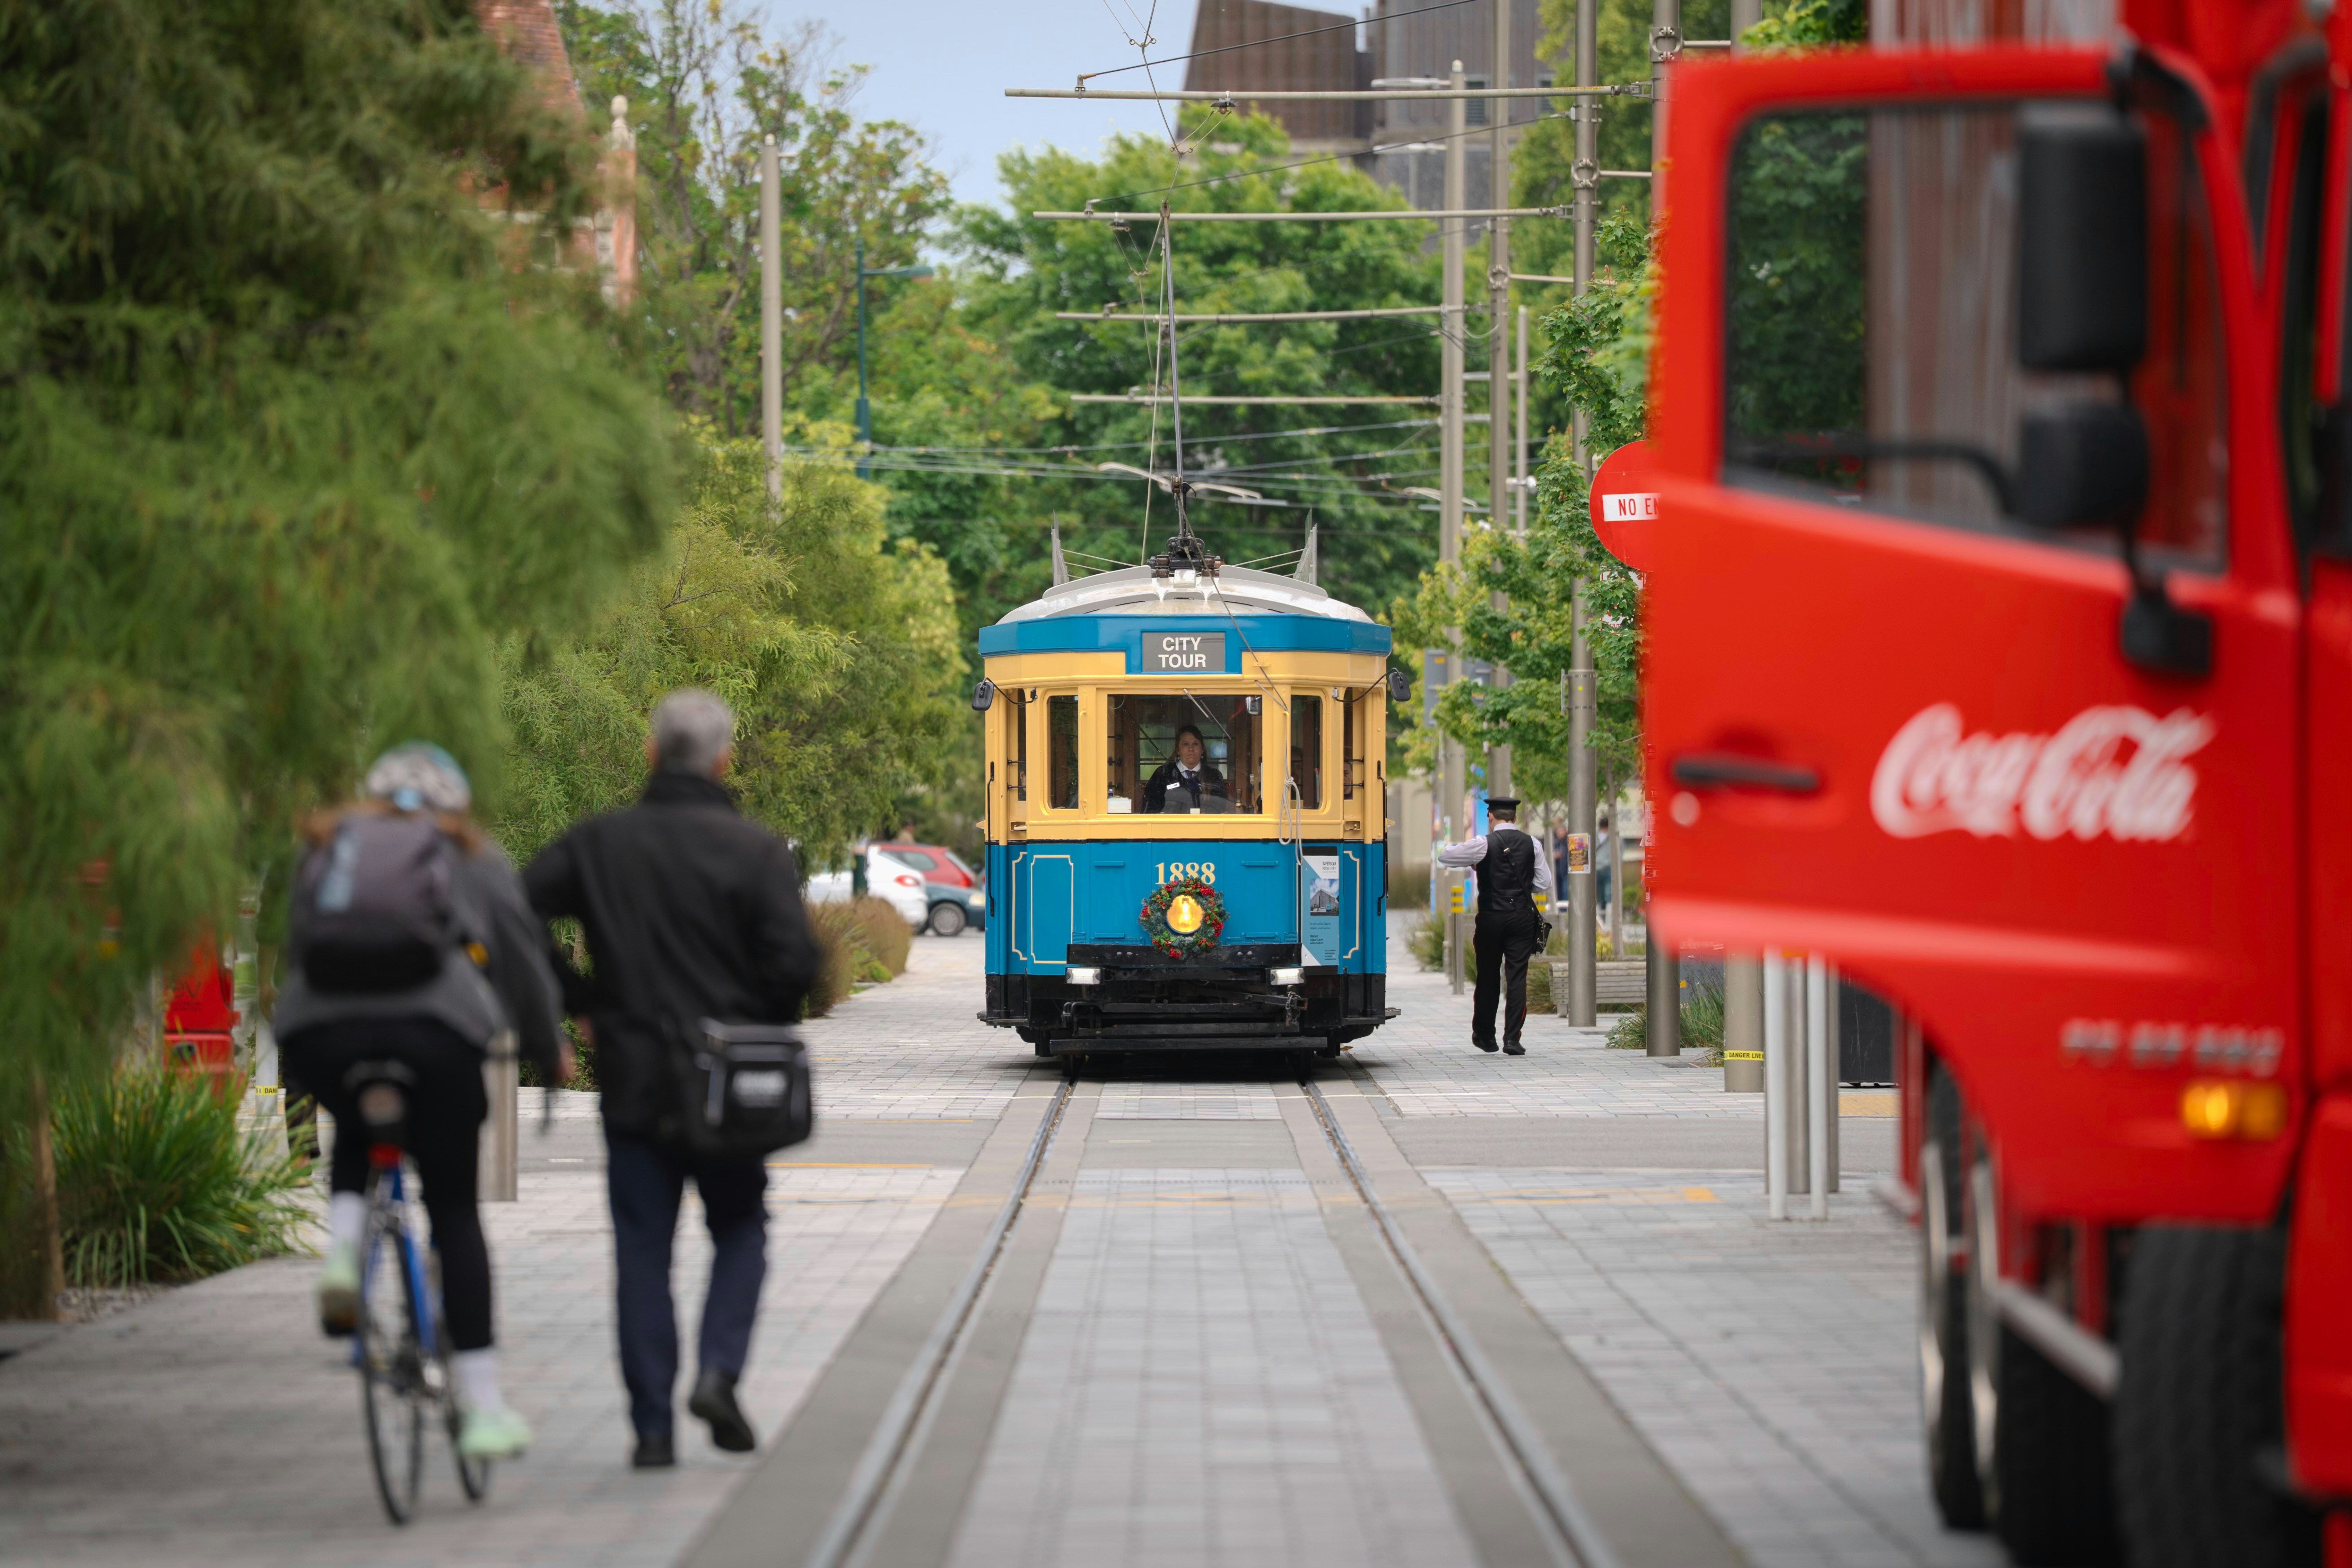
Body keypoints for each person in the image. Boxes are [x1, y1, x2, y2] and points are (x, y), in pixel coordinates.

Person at [523, 689, 822, 1471]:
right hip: (730, 1087)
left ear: (652, 755)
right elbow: (797, 967)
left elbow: (517, 911)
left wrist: (579, 1000)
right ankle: (719, 1372)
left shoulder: (601, 844)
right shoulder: (755, 851)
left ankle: (651, 1430)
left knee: (642, 1251)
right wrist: (756, 1016)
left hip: (634, 1079)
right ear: (723, 760)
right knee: (741, 1226)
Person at [275, 742, 567, 1461]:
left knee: (356, 1115)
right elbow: (524, 959)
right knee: (454, 1212)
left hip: (324, 1034)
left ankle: (343, 1253)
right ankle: (484, 1405)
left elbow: (298, 945)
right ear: (456, 803)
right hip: (436, 1036)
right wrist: (546, 1045)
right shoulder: (471, 852)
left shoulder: (328, 844)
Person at [1437, 796, 1554, 1055]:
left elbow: (1446, 857)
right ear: (1515, 818)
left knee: (1488, 977)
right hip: (1522, 918)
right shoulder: (1532, 843)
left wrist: (1474, 862)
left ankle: (1485, 1037)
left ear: (1491, 817)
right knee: (1517, 978)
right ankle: (1513, 1039)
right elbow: (1544, 883)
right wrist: (1522, 886)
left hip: (1491, 917)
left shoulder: (1483, 844)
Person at [1142, 725, 1225, 813]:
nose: (1191, 749)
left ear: (1202, 750)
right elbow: (1150, 809)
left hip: (1205, 826)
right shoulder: (1163, 774)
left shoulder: (1214, 775)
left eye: (1195, 744)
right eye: (1186, 744)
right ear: (1178, 750)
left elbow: (1220, 807)